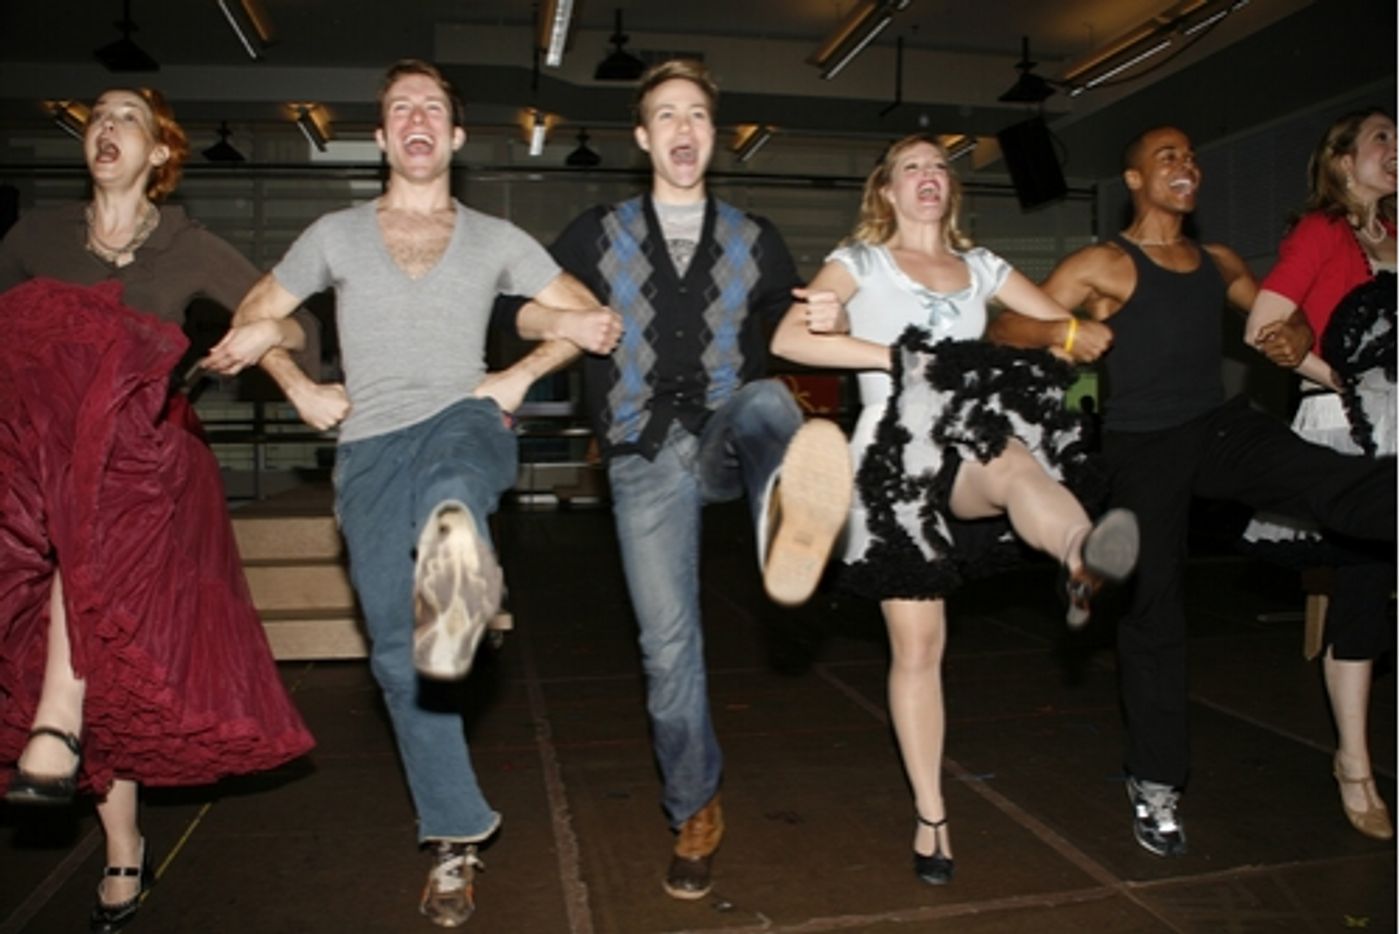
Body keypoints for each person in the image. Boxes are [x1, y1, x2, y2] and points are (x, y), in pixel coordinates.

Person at [211, 59, 621, 928]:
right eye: (401, 108)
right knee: (400, 661)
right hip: (367, 447)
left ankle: (462, 566)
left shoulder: (496, 238)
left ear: (455, 136)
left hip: (460, 417)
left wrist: (521, 373)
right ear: (383, 136)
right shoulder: (335, 233)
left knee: (454, 485)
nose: (416, 118)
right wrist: (298, 385)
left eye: (432, 106)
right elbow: (253, 313)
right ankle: (455, 833)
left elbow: (586, 314)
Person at [987, 124, 1397, 858]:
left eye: (1192, 156)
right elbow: (1005, 327)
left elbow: (1280, 319)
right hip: (1141, 447)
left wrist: (1295, 337)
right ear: (1135, 180)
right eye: (1168, 156)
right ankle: (1155, 782)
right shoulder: (1103, 263)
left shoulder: (1218, 261)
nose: (1188, 165)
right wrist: (1064, 334)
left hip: (1217, 426)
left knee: (1321, 473)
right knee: (1156, 609)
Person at [498, 59, 852, 900]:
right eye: (666, 115)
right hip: (642, 455)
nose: (683, 128)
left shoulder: (755, 236)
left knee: (770, 399)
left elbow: (791, 330)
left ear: (713, 135)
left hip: (728, 433)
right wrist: (566, 317)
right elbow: (514, 308)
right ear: (643, 137)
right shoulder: (597, 232)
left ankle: (788, 519)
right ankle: (695, 806)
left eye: (697, 114)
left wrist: (831, 314)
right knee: (667, 648)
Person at [770, 133, 1138, 886]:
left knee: (1014, 460)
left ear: (951, 188)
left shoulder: (984, 268)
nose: (929, 174)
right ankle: (931, 813)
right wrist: (896, 357)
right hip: (894, 457)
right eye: (912, 166)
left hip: (969, 437)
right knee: (919, 649)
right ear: (888, 190)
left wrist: (1073, 331)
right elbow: (790, 339)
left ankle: (1081, 554)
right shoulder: (861, 262)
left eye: (940, 165)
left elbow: (1050, 330)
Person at [0, 87, 316, 933]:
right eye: (97, 118)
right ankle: (123, 843)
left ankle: (58, 723)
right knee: (104, 655)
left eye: (128, 119)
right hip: (38, 469)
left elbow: (297, 327)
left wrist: (266, 338)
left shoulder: (189, 246)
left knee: (94, 522)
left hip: (150, 467)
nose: (107, 127)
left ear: (161, 154)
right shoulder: (32, 239)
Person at [1241, 108, 1396, 840]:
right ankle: (1354, 764)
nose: (1397, 150)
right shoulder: (1322, 231)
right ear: (1341, 160)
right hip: (1351, 429)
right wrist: (1345, 381)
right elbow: (1262, 326)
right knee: (1365, 590)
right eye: (1382, 138)